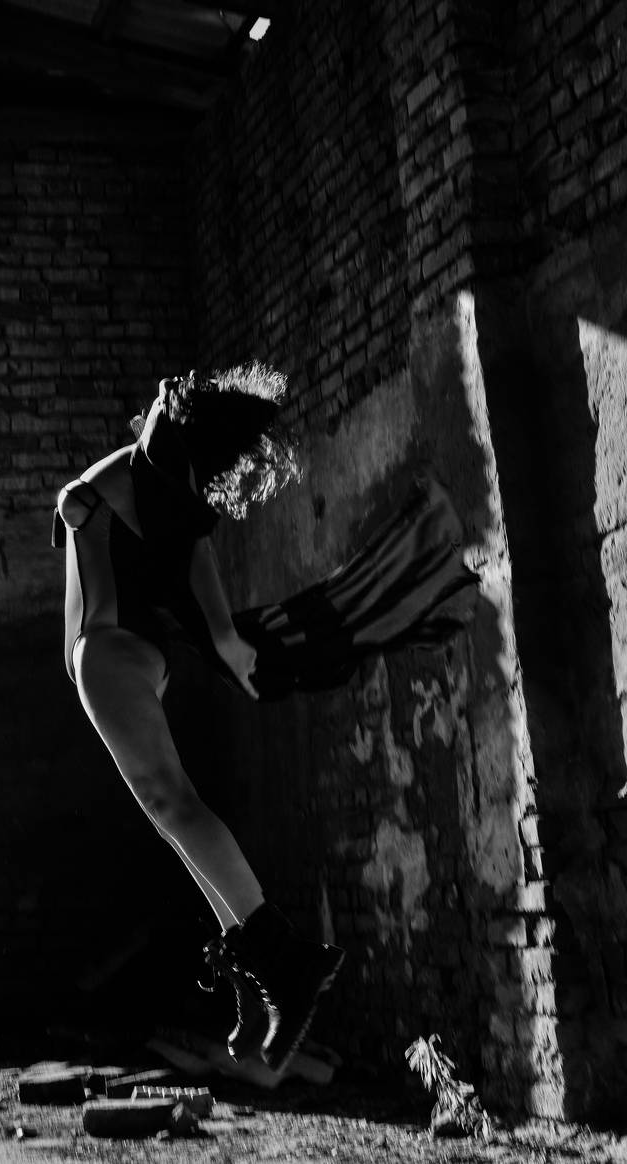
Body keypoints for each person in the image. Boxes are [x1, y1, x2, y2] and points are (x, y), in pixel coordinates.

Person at [52, 363, 478, 1072]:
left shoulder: (154, 467)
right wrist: (221, 636)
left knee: (171, 804)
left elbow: (193, 550)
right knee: (172, 815)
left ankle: (283, 962)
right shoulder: (158, 475)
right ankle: (255, 965)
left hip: (112, 650)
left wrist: (225, 636)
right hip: (133, 651)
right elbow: (189, 545)